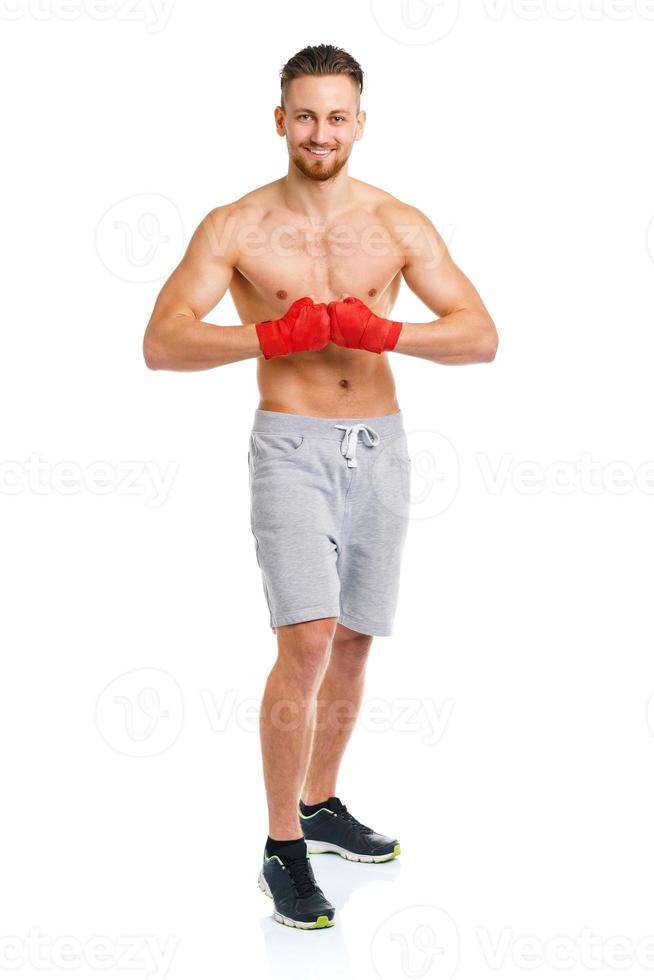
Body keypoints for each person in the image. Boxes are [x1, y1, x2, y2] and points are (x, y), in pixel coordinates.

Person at [143, 43, 498, 930]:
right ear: (280, 121)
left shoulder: (398, 223)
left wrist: (387, 332)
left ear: (360, 123)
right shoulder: (235, 226)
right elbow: (162, 341)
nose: (320, 132)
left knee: (354, 642)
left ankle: (322, 803)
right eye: (305, 115)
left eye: (337, 116)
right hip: (291, 446)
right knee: (306, 637)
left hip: (380, 444)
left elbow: (480, 334)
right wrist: (266, 340)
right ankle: (281, 848)